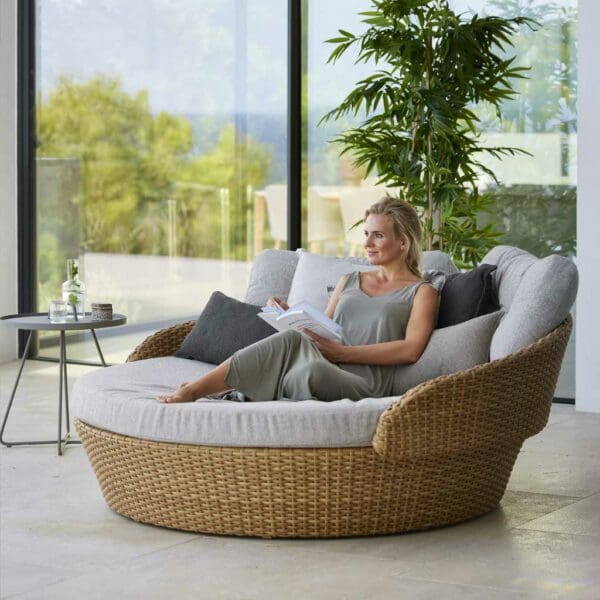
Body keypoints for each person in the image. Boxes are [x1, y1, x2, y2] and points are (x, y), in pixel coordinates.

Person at [158, 196, 438, 403]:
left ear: (403, 242)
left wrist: (342, 354)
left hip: (365, 383)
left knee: (304, 367)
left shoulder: (421, 291)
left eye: (378, 235)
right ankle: (223, 389)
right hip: (321, 364)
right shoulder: (349, 280)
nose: (367, 243)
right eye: (366, 234)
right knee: (298, 365)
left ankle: (200, 390)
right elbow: (326, 329)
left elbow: (410, 350)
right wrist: (290, 314)